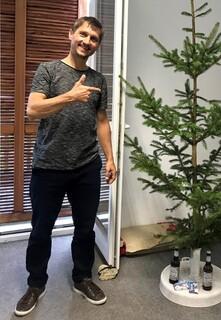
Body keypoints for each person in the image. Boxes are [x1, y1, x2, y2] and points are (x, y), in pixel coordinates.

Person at [14, 16, 116, 317]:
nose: (87, 41)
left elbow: (101, 121)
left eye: (94, 38)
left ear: (97, 45)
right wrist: (70, 95)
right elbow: (33, 109)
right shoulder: (48, 69)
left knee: (84, 230)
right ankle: (35, 284)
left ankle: (83, 278)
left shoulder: (99, 80)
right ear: (70, 34)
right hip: (48, 167)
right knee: (41, 230)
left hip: (86, 166)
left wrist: (110, 158)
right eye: (83, 34)